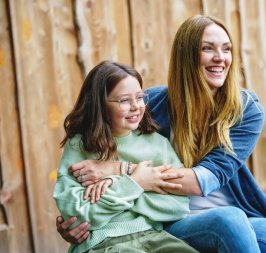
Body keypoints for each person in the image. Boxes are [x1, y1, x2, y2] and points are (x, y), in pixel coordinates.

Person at [56, 15, 266, 253]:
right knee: (229, 221)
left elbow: (205, 180)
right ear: (186, 56)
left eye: (226, 48)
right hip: (172, 220)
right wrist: (70, 223)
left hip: (231, 210)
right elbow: (90, 138)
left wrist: (118, 170)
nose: (220, 57)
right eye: (208, 48)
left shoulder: (244, 110)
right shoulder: (151, 104)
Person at [53, 61, 199, 253]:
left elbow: (179, 205)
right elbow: (75, 214)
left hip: (153, 237)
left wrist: (116, 184)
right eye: (123, 100)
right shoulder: (79, 146)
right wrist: (136, 183)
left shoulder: (157, 144)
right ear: (100, 104)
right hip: (102, 242)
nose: (136, 107)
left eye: (140, 97)